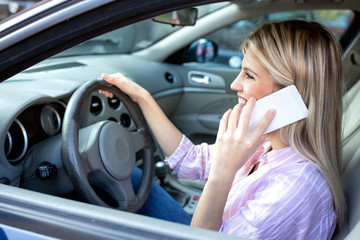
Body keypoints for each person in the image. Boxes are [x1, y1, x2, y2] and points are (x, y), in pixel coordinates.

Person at [100, 20, 346, 239]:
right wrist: (142, 97)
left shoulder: (290, 192)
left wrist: (223, 172)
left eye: (248, 75)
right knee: (124, 176)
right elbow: (190, 159)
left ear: (289, 96)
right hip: (209, 228)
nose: (234, 84)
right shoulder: (264, 144)